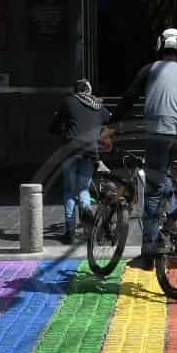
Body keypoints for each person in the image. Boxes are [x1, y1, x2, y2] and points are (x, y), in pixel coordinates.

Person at [111, 28, 177, 258]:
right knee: (164, 180)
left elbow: (129, 98)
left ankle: (150, 246)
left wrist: (111, 125)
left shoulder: (150, 69)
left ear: (160, 46)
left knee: (151, 190)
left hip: (160, 132)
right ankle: (171, 230)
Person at [47, 78, 110, 244]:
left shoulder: (68, 102)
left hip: (70, 149)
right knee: (83, 188)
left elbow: (54, 126)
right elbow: (108, 119)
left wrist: (61, 127)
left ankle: (70, 232)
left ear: (75, 91)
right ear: (89, 91)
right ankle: (86, 209)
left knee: (69, 189)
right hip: (91, 151)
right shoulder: (98, 105)